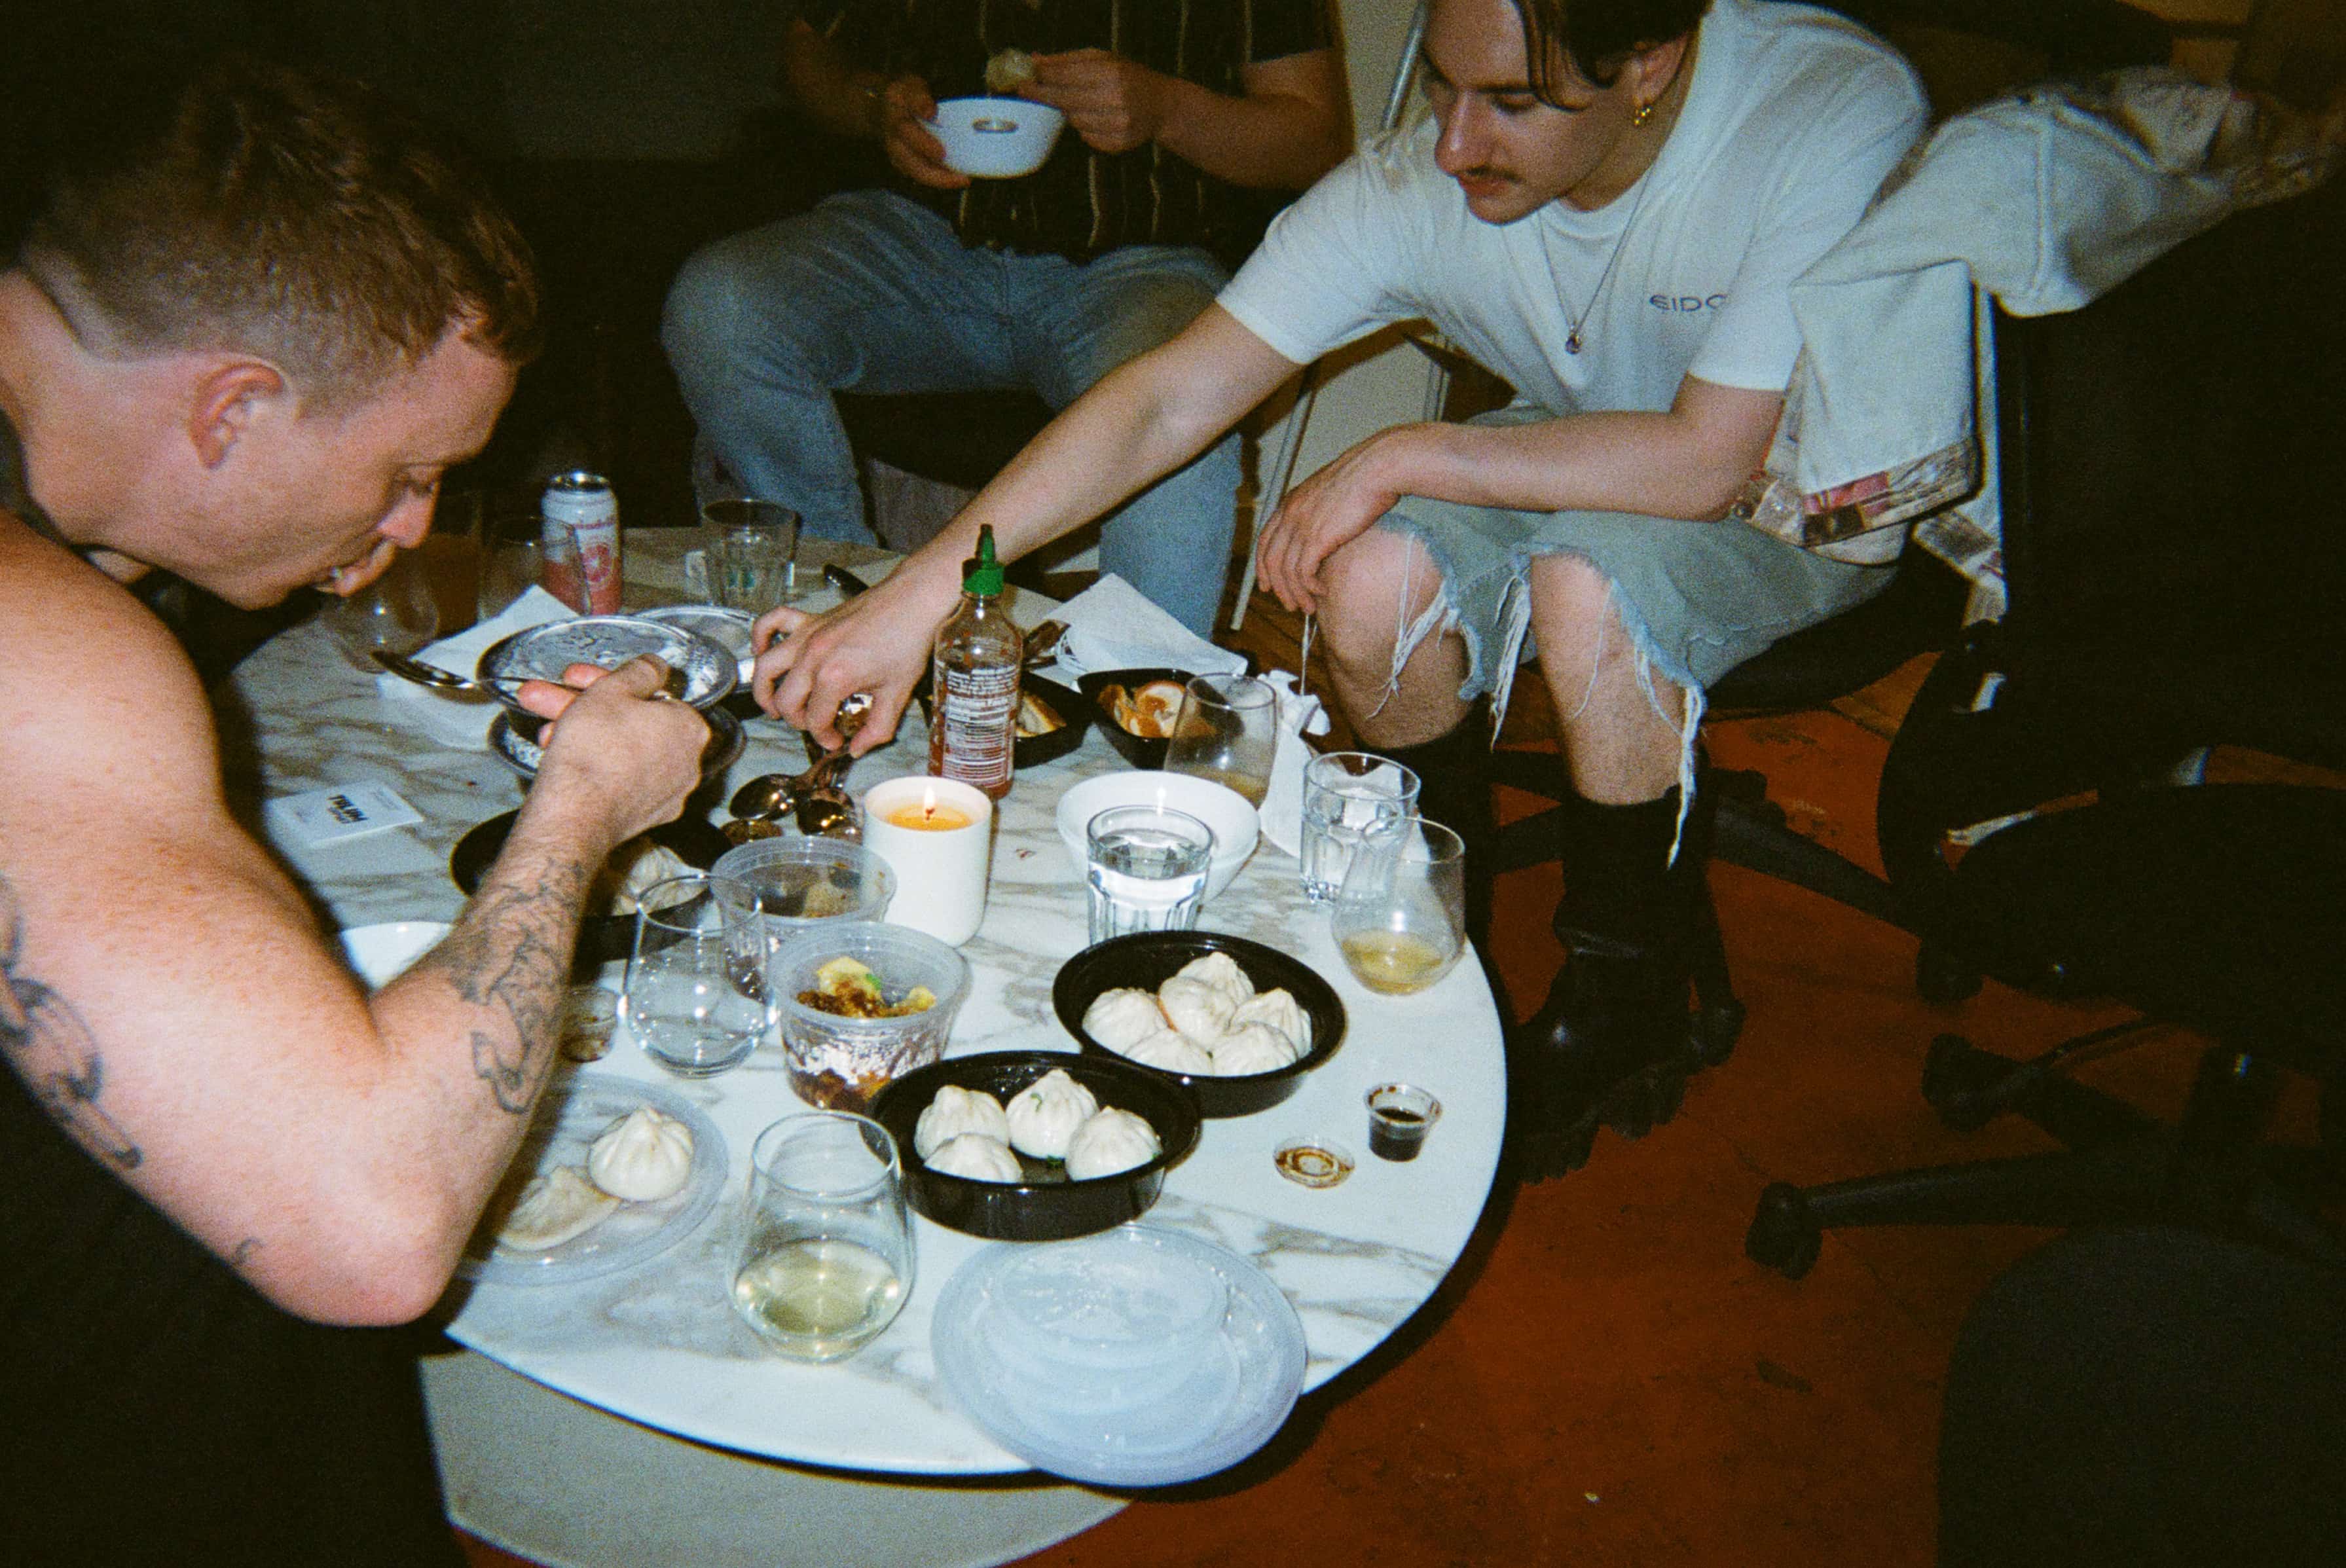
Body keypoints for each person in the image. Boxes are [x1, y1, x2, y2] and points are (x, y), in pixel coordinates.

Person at [748, 0, 1928, 1178]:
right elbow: (1166, 398)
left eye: (1511, 102)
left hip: (1803, 481)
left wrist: (1403, 451)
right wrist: (918, 594)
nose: (1453, 144)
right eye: (1442, 88)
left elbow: (1707, 461)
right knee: (1365, 577)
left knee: (1586, 582)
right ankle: (1444, 923)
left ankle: (1622, 1003)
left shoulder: (1820, 109)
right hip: (1583, 443)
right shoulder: (1419, 178)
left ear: (1649, 65)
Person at [0, 59, 708, 1563]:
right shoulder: (36, 641)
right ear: (235, 405)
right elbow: (370, 1234)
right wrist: (581, 809)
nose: (409, 528)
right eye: (408, 472)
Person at [660, 0, 1350, 636]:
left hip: (1144, 265)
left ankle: (1144, 688)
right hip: (915, 238)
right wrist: (875, 106)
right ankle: (834, 617)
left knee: (1189, 405)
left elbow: (1316, 141)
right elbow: (809, 50)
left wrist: (1169, 109)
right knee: (725, 303)